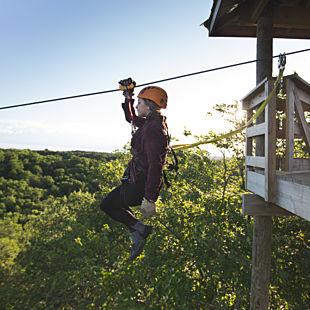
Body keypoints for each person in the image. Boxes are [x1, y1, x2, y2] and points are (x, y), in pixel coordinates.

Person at [100, 85, 170, 260]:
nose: (137, 106)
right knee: (114, 204)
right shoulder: (151, 123)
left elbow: (156, 165)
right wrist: (128, 97)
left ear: (148, 104)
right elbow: (131, 117)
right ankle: (138, 233)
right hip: (137, 181)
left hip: (140, 184)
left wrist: (150, 198)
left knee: (107, 205)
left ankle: (140, 231)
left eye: (139, 103)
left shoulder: (154, 129)